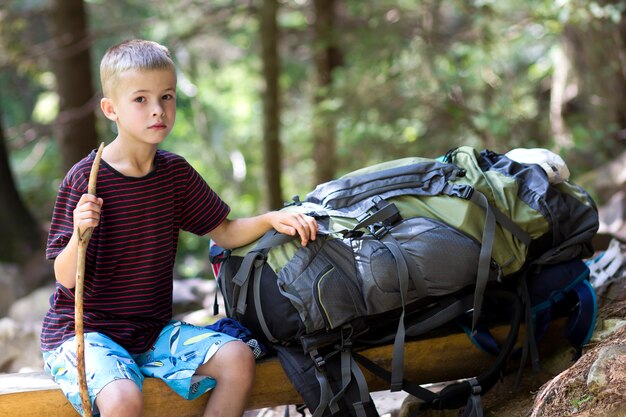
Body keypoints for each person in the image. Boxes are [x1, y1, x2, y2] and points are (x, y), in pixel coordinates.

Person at [41, 39, 318, 417]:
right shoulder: (86, 180)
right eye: (140, 99)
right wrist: (79, 232)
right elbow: (64, 277)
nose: (157, 110)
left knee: (236, 357)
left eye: (167, 97)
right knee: (123, 400)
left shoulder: (175, 174)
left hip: (151, 333)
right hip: (86, 337)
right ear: (111, 109)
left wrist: (271, 219)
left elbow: (225, 231)